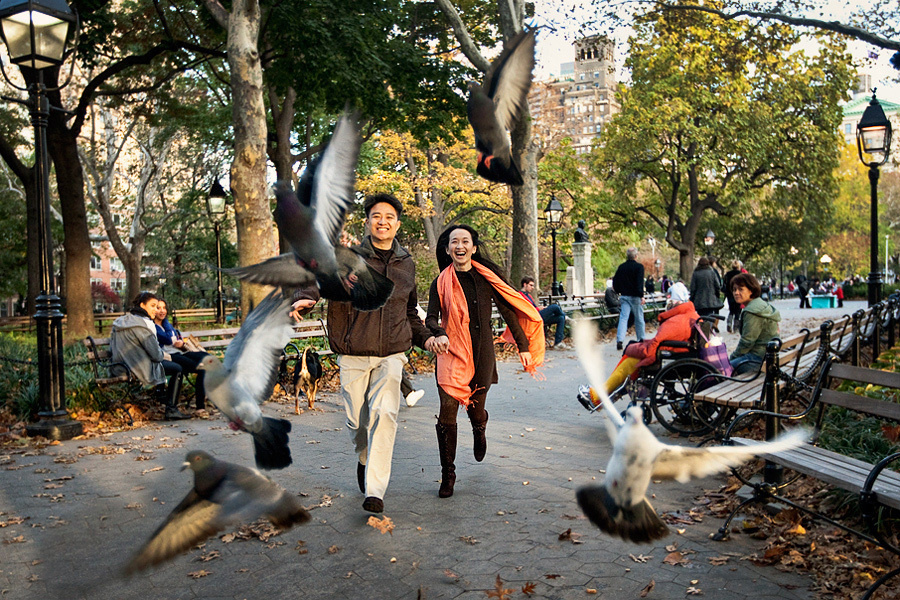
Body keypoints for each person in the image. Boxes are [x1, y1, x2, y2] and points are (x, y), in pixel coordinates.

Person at [323, 193, 434, 514]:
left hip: (392, 353)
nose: (382, 221)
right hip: (354, 350)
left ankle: (375, 490)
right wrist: (303, 297)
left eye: (389, 216)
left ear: (397, 223)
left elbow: (411, 311)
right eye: (376, 216)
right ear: (368, 221)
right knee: (356, 420)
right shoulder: (348, 258)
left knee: (386, 413)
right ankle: (362, 454)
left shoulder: (407, 263)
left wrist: (426, 339)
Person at [426, 224, 544, 498]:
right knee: (447, 412)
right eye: (454, 242)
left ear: (473, 248)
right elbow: (431, 317)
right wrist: (439, 332)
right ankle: (448, 474)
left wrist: (523, 346)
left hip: (482, 355)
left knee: (475, 411)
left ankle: (480, 428)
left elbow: (508, 312)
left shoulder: (486, 279)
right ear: (448, 250)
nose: (460, 246)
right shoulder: (441, 282)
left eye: (465, 241)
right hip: (450, 352)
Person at [577, 282, 698, 410]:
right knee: (631, 351)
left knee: (630, 360)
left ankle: (599, 396)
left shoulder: (676, 320)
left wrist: (636, 348)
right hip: (676, 354)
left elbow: (654, 348)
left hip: (667, 357)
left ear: (676, 302)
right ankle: (604, 395)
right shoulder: (689, 315)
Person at [110, 292, 187, 420]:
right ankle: (171, 409)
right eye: (153, 306)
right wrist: (168, 356)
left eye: (157, 307)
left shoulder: (123, 321)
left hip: (119, 365)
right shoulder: (143, 325)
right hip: (136, 367)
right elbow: (156, 356)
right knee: (177, 368)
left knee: (172, 364)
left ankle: (162, 396)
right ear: (142, 305)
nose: (156, 310)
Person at [153, 299, 210, 410]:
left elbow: (175, 337)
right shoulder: (152, 327)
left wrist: (180, 343)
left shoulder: (167, 325)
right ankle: (200, 407)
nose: (162, 311)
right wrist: (174, 341)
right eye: (158, 308)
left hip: (181, 351)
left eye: (164, 308)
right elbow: (166, 340)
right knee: (203, 368)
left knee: (206, 357)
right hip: (169, 356)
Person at [729, 273, 781, 375]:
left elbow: (747, 341)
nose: (736, 293)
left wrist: (732, 357)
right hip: (768, 356)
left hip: (757, 359)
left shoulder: (751, 311)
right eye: (734, 289)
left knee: (721, 370)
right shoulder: (761, 304)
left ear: (751, 290)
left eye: (740, 289)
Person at [612, 247, 645, 351]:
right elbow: (639, 283)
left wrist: (619, 291)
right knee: (639, 319)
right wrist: (641, 296)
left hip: (624, 296)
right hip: (635, 297)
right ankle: (641, 339)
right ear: (636, 256)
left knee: (623, 318)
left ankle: (620, 340)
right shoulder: (639, 267)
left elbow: (615, 282)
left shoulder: (621, 267)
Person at [520, 276, 567, 348]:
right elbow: (526, 310)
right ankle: (566, 317)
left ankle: (558, 343)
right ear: (524, 284)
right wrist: (538, 309)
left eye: (533, 286)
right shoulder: (520, 296)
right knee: (555, 306)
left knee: (560, 318)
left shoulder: (529, 296)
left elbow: (533, 307)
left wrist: (540, 308)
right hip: (532, 318)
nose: (532, 287)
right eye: (531, 285)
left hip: (537, 315)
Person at [723, 260, 743, 333]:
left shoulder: (728, 274)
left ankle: (729, 322)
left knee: (731, 310)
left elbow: (724, 283)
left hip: (730, 294)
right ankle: (736, 327)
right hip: (739, 293)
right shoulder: (740, 274)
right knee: (737, 311)